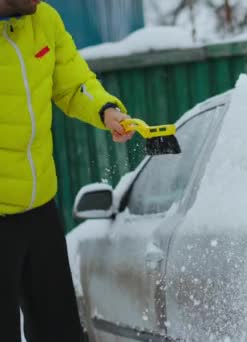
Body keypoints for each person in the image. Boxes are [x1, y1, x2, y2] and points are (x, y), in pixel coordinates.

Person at [0, 0, 135, 340]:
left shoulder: (44, 19)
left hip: (39, 208)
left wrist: (106, 110)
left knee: (60, 331)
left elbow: (73, 82)